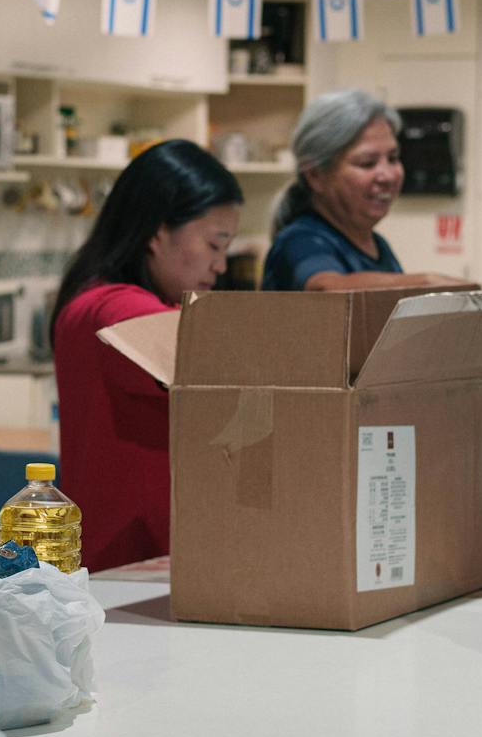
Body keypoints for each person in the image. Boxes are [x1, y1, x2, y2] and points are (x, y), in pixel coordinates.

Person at [52, 139, 242, 573]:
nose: (221, 265)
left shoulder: (94, 301)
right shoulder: (113, 308)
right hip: (130, 567)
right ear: (157, 233)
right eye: (215, 245)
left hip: (133, 562)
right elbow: (216, 346)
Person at [261, 88, 404, 289]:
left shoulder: (379, 246)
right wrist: (430, 283)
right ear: (316, 175)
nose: (387, 176)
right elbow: (327, 289)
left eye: (393, 158)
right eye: (367, 163)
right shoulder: (300, 241)